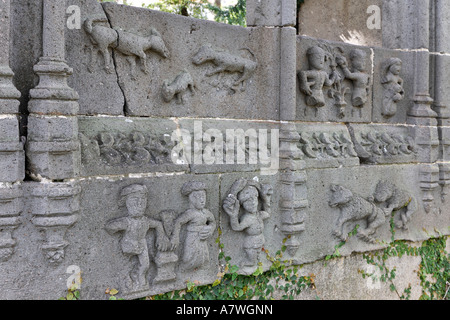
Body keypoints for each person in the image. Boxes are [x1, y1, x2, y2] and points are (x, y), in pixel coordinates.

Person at [105, 184, 170, 291]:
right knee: (125, 265)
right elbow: (109, 227)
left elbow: (158, 224)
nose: (139, 204)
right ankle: (127, 279)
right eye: (134, 201)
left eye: (143, 201)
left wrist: (161, 236)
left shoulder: (146, 221)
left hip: (142, 244)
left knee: (145, 265)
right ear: (126, 203)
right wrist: (116, 225)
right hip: (128, 245)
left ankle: (140, 277)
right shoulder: (127, 221)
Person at [222, 178, 272, 271]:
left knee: (256, 259)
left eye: (254, 200)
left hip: (260, 240)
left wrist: (266, 199)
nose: (252, 203)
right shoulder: (247, 219)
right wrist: (233, 216)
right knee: (251, 261)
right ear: (242, 205)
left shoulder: (259, 214)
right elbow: (236, 227)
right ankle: (246, 264)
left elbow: (268, 213)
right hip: (251, 244)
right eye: (248, 201)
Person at [170, 181, 216, 270]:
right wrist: (175, 237)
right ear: (191, 198)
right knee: (188, 257)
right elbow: (178, 222)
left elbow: (212, 222)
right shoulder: (190, 213)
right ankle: (183, 270)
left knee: (204, 257)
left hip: (202, 239)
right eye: (198, 197)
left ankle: (200, 271)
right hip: (192, 238)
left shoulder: (206, 213)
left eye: (204, 196)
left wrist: (210, 229)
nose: (202, 200)